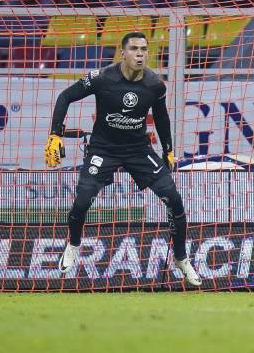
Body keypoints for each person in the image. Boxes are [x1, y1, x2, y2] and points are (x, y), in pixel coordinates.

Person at [45, 32, 201, 287]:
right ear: (123, 53)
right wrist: (55, 134)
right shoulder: (101, 78)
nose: (140, 54)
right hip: (103, 149)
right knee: (82, 200)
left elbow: (162, 119)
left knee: (173, 198)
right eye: (134, 49)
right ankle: (73, 244)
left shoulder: (155, 85)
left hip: (138, 150)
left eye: (144, 49)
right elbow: (65, 97)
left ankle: (181, 259)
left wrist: (168, 151)